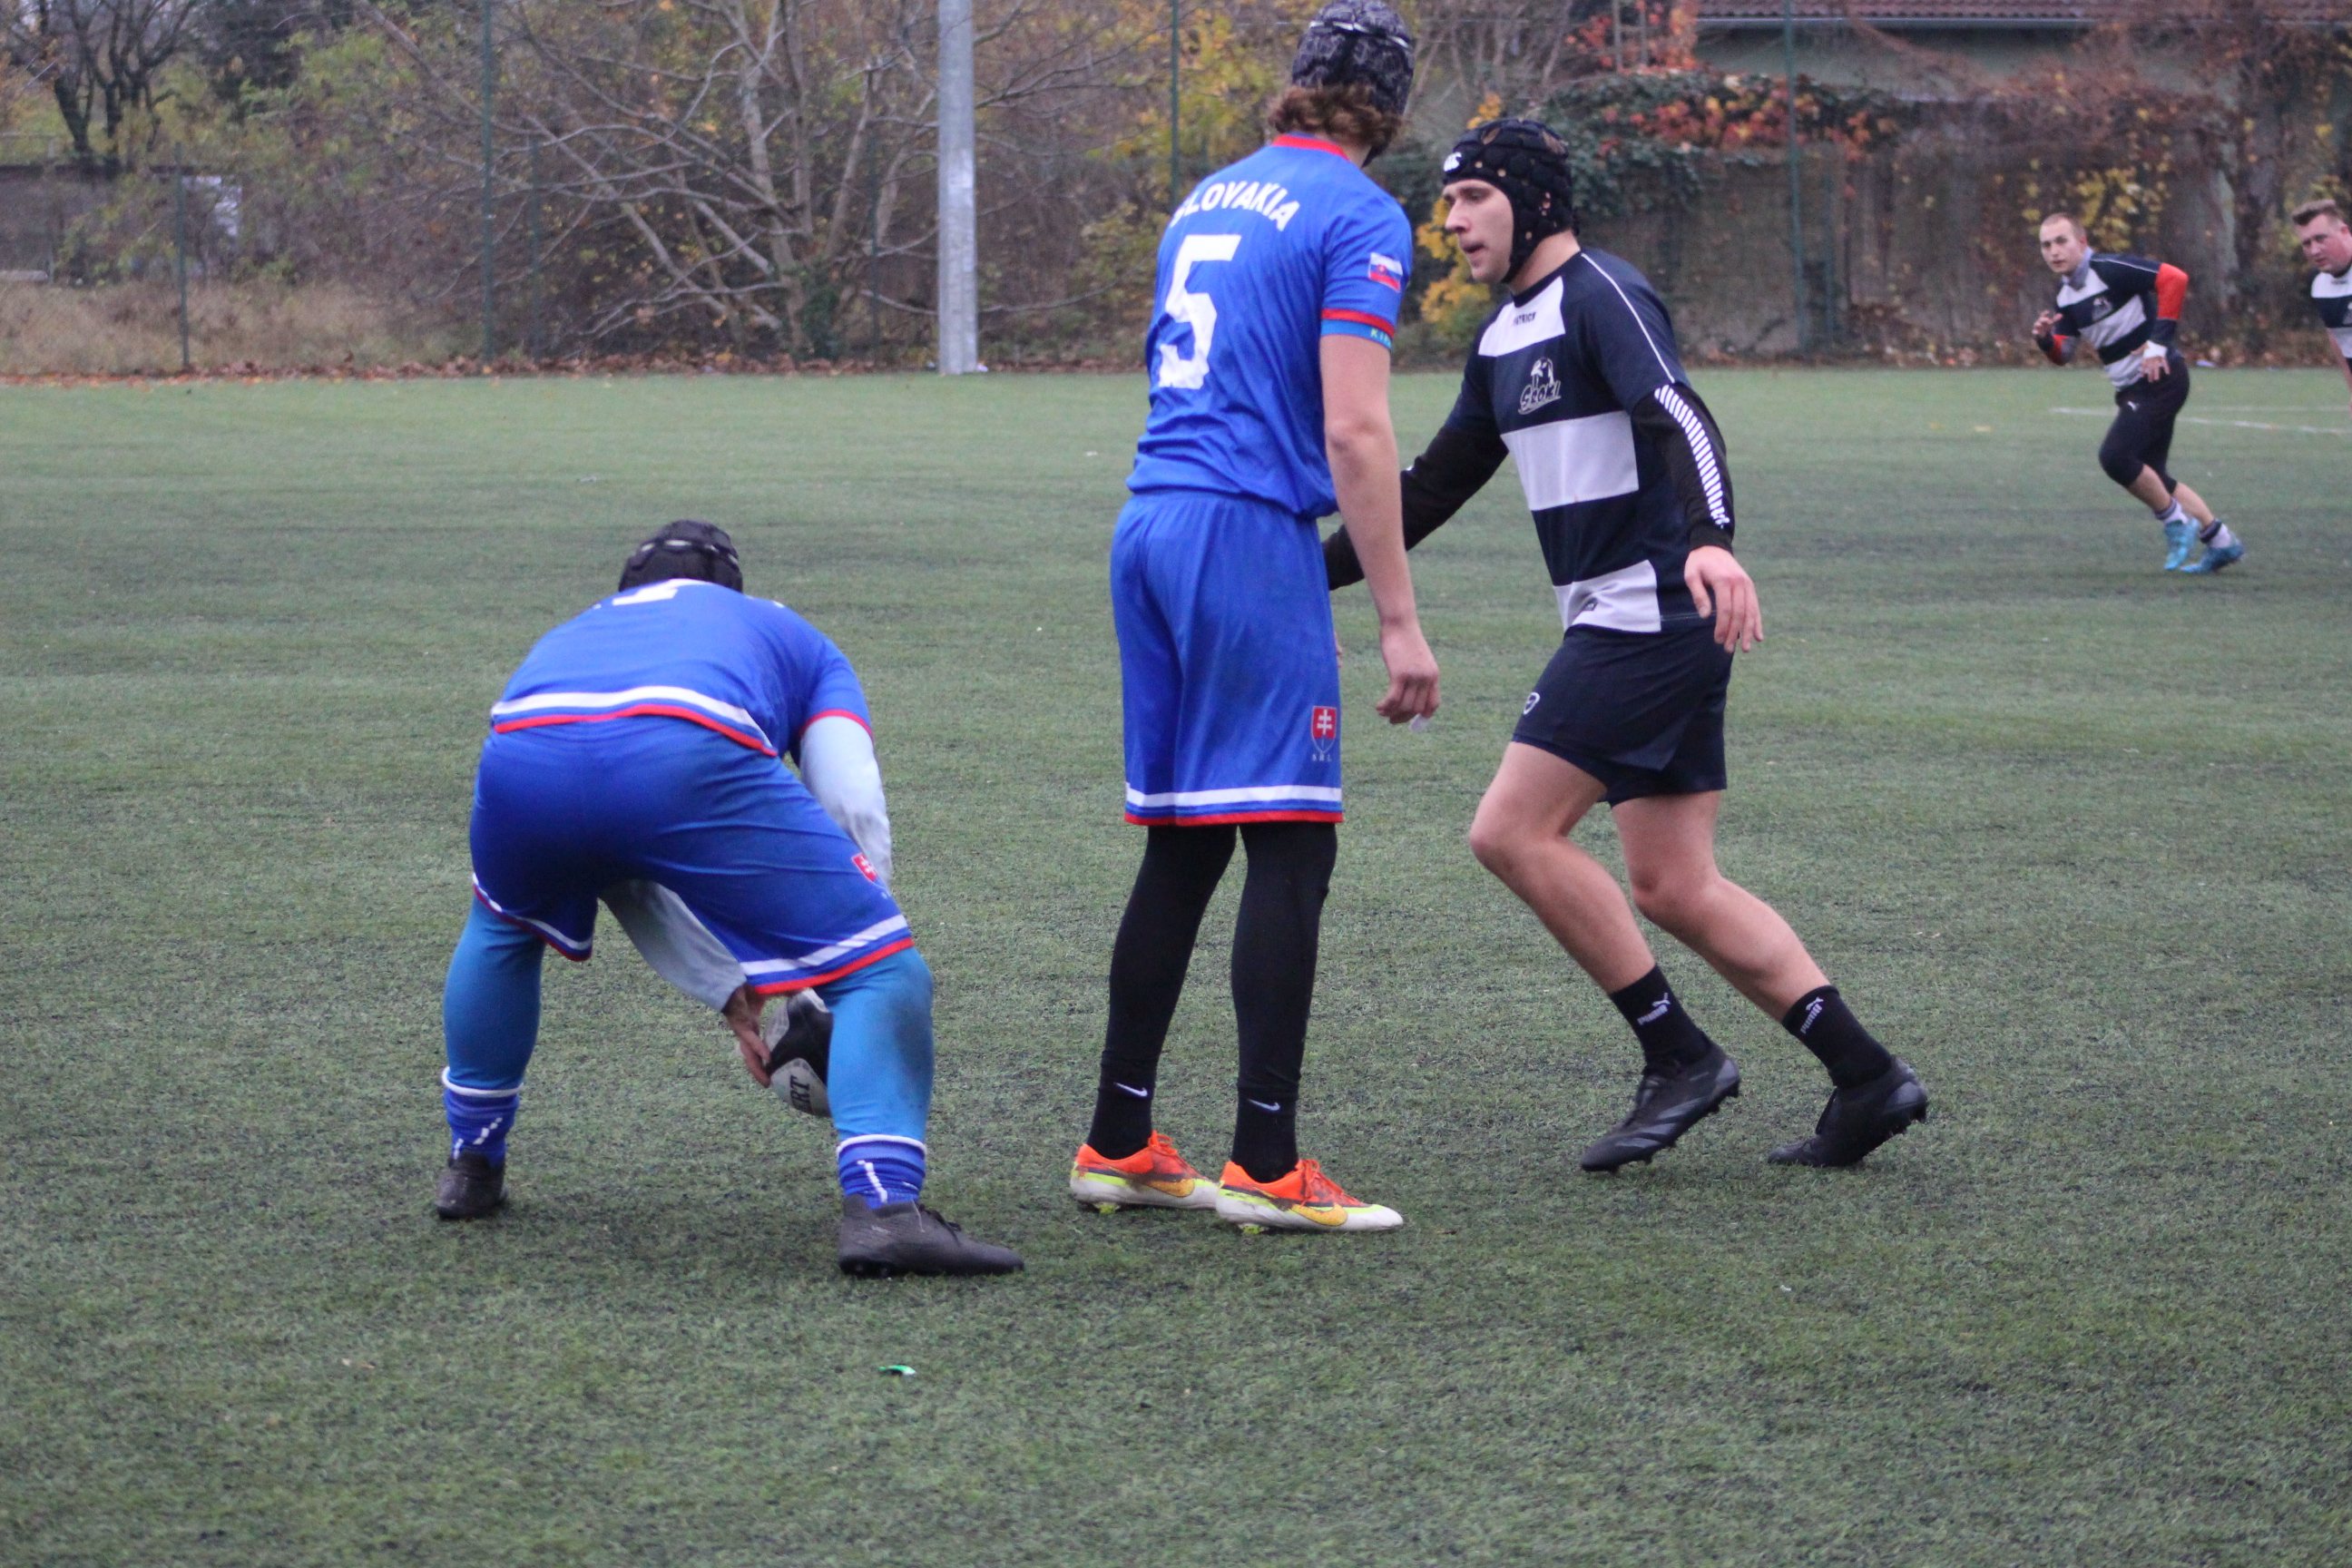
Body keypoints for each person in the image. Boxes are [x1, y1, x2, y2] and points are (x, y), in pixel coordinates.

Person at [1324, 120, 1929, 1172]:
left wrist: (1714, 539)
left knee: (1510, 832)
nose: (1451, 221)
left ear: (1532, 202)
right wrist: (1300, 570)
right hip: (1639, 621)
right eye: (1449, 202)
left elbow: (1679, 414)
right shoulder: (1500, 340)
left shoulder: (1601, 293)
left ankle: (1679, 1055)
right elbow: (1427, 490)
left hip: (1646, 614)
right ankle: (1867, 1075)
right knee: (1675, 886)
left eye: (1473, 198)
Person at [1065, 0, 1440, 1233]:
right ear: (1387, 108)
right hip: (1240, 532)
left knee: (1184, 843)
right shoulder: (1360, 212)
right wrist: (1397, 617)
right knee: (1291, 840)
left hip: (1150, 520)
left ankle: (1120, 1139)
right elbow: (1356, 427)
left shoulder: (1208, 196)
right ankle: (1268, 1167)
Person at [434, 520, 1022, 1278]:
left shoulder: (578, 631)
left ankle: (471, 1166)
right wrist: (843, 953)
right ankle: (885, 1212)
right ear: (732, 592)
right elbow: (849, 797)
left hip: (522, 752)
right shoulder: (786, 632)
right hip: (686, 739)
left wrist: (730, 990)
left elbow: (621, 858)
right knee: (884, 972)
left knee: (501, 932)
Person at [2030, 213, 2245, 573]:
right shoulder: (2065, 295)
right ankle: (2221, 541)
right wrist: (2044, 340)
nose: (2054, 251)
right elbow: (2063, 352)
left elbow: (2175, 279)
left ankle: (2175, 522)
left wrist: (2158, 344)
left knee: (2115, 457)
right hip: (2132, 388)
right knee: (2154, 476)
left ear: (2082, 242)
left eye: (2061, 241)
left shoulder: (2110, 269)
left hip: (2161, 380)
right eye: (2046, 245)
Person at [2291, 198, 2352, 417]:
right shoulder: (2319, 284)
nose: (2315, 250)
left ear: (2344, 231)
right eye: (2307, 244)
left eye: (2320, 239)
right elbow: (2338, 338)